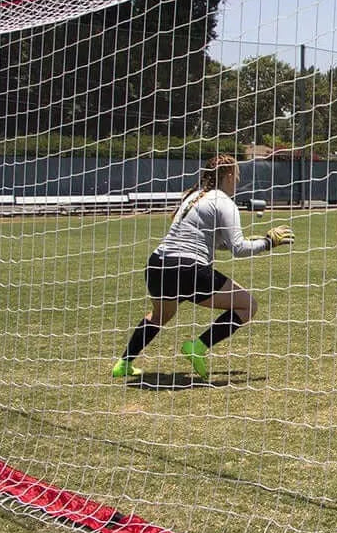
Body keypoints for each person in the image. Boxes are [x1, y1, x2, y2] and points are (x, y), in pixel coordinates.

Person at [112, 154, 294, 381]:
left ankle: (123, 363)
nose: (237, 180)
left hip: (158, 265)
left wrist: (254, 240)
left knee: (160, 316)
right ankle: (197, 347)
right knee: (248, 306)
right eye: (236, 174)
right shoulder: (224, 202)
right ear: (228, 174)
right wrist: (268, 243)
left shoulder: (194, 197)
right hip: (188, 269)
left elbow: (217, 243)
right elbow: (238, 249)